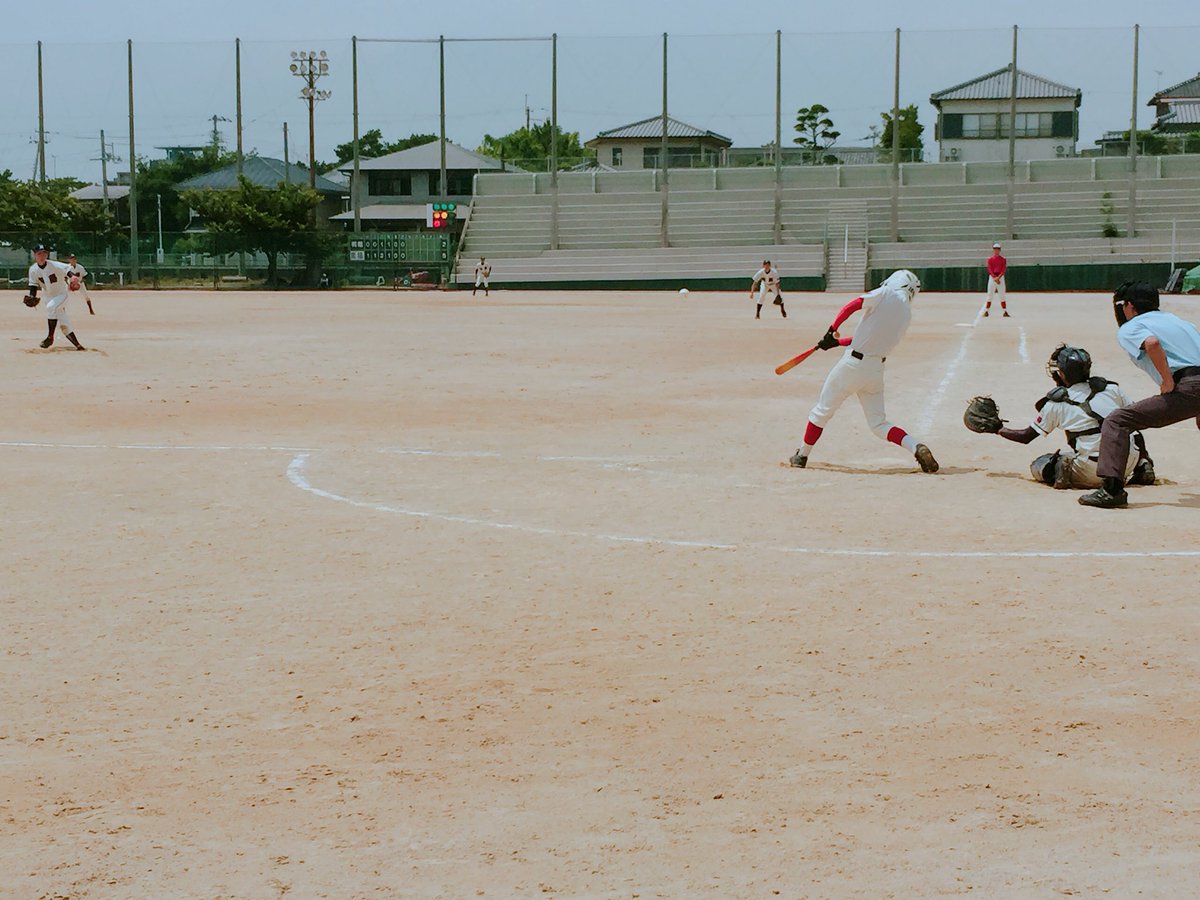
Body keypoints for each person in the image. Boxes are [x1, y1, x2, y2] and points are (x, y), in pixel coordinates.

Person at [788, 269, 938, 473]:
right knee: (878, 424)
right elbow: (867, 338)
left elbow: (853, 305)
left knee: (821, 412)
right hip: (875, 370)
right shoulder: (906, 314)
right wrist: (836, 343)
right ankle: (914, 446)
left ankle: (802, 455)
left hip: (852, 365)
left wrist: (832, 329)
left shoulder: (885, 294)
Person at [1080, 281, 1200, 508]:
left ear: (1129, 306)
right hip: (1196, 384)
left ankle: (1112, 490)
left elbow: (1152, 344)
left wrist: (1167, 380)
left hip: (1188, 384)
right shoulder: (1179, 322)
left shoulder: (1132, 326)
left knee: (1117, 420)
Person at [985, 344, 1154, 489]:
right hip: (1126, 462)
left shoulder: (1056, 404)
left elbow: (1026, 436)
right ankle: (1143, 464)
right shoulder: (1111, 389)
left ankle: (1062, 467)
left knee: (1041, 464)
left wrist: (998, 429)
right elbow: (1139, 418)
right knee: (1131, 431)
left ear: (1062, 373)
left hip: (1095, 470)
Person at [26, 244, 85, 350]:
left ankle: (50, 337)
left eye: (44, 253)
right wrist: (32, 296)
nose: (42, 255)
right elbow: (33, 285)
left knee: (50, 307)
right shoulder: (33, 270)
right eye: (39, 253)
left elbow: (67, 270)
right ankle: (78, 345)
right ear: (35, 255)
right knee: (63, 322)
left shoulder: (54, 265)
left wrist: (73, 277)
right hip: (48, 296)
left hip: (62, 294)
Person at [983, 241, 1009, 318]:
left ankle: (1004, 311)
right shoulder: (990, 259)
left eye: (998, 249)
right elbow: (989, 269)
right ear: (993, 250)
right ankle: (987, 311)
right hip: (993, 277)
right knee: (990, 294)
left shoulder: (1003, 259)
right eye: (995, 249)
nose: (996, 250)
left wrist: (999, 277)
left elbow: (1003, 269)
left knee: (1002, 295)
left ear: (1000, 250)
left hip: (1000, 277)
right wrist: (994, 277)